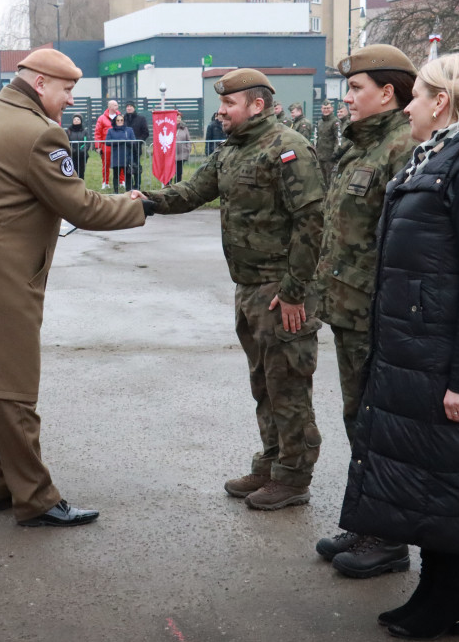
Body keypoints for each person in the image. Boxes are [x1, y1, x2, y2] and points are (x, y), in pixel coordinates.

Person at [0, 49, 150, 528]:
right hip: (0, 268)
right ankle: (35, 498)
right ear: (40, 84)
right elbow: (82, 207)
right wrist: (138, 205)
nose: (70, 100)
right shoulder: (39, 132)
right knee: (12, 383)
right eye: (66, 90)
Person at [338, 52, 459, 640]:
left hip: (442, 359)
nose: (408, 104)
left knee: (451, 479)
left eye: (415, 94)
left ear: (440, 102)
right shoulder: (433, 161)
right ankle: (437, 596)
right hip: (412, 351)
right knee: (428, 479)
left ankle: (450, 601)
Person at [132, 69, 325, 511]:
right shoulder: (233, 151)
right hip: (250, 289)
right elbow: (193, 191)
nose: (220, 113)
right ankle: (273, 462)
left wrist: (295, 291)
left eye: (228, 105)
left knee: (289, 387)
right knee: (264, 384)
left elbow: (312, 222)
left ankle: (294, 477)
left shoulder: (288, 148)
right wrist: (148, 201)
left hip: (282, 291)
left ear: (256, 105)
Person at [311, 44, 419, 578]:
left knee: (382, 427)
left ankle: (390, 539)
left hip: (379, 314)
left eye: (356, 88)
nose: (347, 97)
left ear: (388, 93)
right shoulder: (360, 147)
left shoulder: (402, 147)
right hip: (349, 310)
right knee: (359, 420)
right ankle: (367, 521)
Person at [94, 100, 121, 189]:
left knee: (121, 163)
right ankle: (105, 182)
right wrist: (98, 146)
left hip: (119, 145)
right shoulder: (101, 118)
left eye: (117, 105)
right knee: (106, 164)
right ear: (109, 107)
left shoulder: (120, 117)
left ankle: (122, 181)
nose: (117, 106)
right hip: (106, 145)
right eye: (115, 105)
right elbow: (98, 133)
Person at [106, 113, 136, 193]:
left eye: (121, 120)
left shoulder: (129, 130)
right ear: (115, 121)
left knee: (128, 174)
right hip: (116, 156)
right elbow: (107, 142)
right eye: (118, 120)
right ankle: (116, 191)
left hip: (127, 155)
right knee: (116, 175)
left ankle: (129, 191)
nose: (120, 122)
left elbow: (134, 141)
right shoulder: (111, 130)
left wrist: (126, 141)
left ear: (124, 121)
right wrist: (119, 141)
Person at [124, 102, 149, 190]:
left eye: (130, 106)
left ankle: (137, 185)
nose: (129, 108)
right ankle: (128, 186)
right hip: (125, 148)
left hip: (136, 147)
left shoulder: (141, 119)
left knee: (136, 166)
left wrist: (138, 142)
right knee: (126, 167)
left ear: (134, 108)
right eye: (127, 106)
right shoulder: (122, 119)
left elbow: (146, 132)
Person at [314, 100, 340, 181]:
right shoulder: (319, 123)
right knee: (322, 180)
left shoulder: (335, 122)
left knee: (330, 180)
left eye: (328, 108)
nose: (326, 110)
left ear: (332, 109)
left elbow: (338, 139)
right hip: (320, 156)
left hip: (330, 157)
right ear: (321, 109)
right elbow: (316, 138)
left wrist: (335, 154)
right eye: (324, 108)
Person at [66, 113, 90, 180]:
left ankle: (81, 186)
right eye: (75, 119)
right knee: (72, 172)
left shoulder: (84, 131)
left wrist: (83, 150)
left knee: (81, 172)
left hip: (82, 155)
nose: (76, 120)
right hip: (72, 155)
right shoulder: (68, 131)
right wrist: (71, 149)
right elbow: (66, 141)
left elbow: (87, 142)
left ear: (81, 121)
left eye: (78, 119)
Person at [174, 111, 191, 182]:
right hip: (171, 155)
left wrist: (188, 149)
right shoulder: (169, 127)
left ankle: (177, 187)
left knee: (179, 172)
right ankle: (168, 187)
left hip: (181, 154)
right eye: (176, 117)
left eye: (179, 118)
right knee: (170, 173)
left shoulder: (184, 128)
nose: (178, 119)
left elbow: (188, 139)